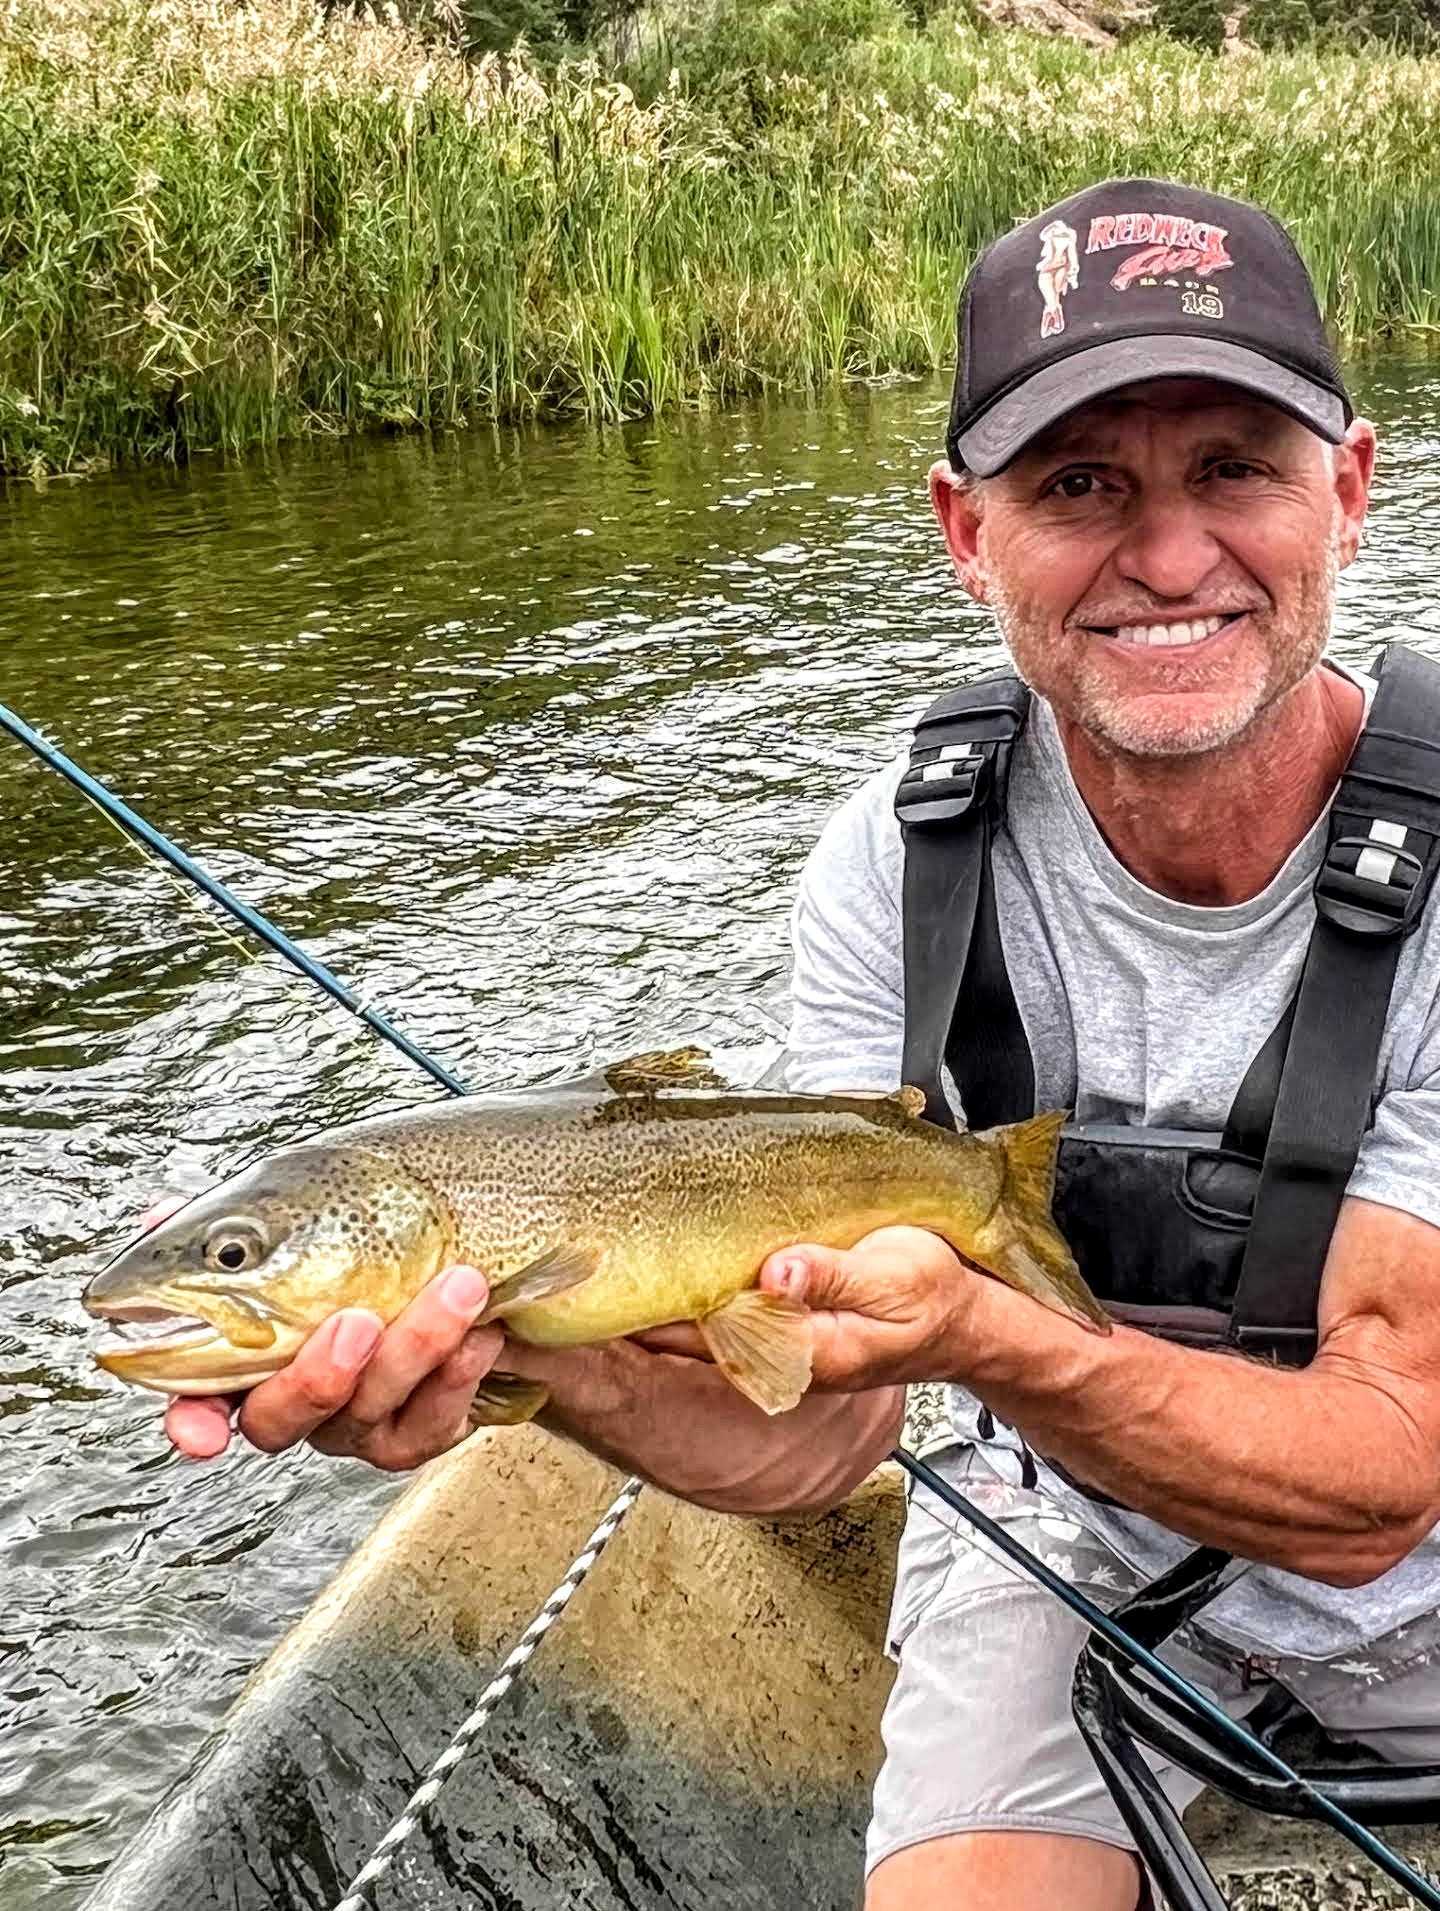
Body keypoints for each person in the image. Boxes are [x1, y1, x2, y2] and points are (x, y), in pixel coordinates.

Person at [162, 177, 1440, 1911]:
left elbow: (1381, 1486)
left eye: (1233, 470)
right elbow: (820, 1449)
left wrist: (993, 1339)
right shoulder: (901, 865)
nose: (1165, 556)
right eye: (1078, 484)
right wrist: (538, 1367)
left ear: (1348, 492)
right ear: (965, 532)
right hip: (1061, 1549)